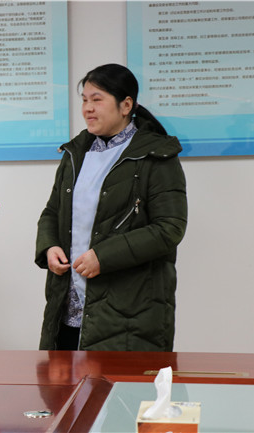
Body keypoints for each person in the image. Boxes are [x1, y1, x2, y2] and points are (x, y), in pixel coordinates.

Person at [35, 63, 187, 352]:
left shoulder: (156, 155)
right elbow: (52, 212)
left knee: (117, 382)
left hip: (129, 312)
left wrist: (102, 257)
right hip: (68, 305)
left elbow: (169, 228)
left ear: (126, 105)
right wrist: (49, 246)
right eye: (84, 100)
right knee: (62, 380)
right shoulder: (75, 153)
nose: (88, 108)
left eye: (97, 99)